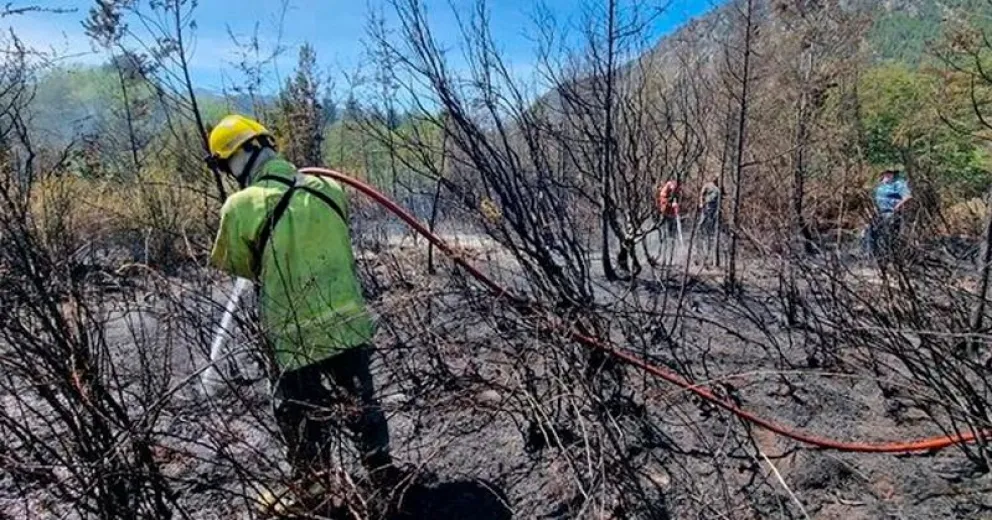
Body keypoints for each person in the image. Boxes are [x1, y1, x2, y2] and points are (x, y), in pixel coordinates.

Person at [205, 114, 394, 512]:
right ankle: (384, 477)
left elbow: (238, 266)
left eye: (225, 163)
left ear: (243, 155)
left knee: (302, 420)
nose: (227, 172)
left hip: (293, 339)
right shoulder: (328, 188)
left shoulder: (240, 207)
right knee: (363, 406)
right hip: (348, 325)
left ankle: (316, 495)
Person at [865, 167, 912, 258]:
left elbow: (907, 196)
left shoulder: (898, 184)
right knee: (871, 233)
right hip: (878, 213)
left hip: (891, 213)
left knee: (889, 236)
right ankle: (871, 256)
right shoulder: (880, 184)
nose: (887, 174)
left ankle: (890, 256)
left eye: (890, 173)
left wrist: (897, 207)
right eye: (886, 172)